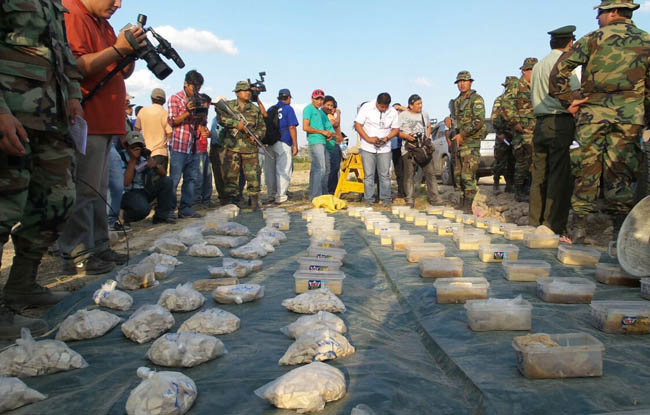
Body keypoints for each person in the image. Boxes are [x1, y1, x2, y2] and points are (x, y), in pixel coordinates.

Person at [0, 0, 84, 337]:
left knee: (57, 202)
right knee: (3, 210)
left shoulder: (53, 4)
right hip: (12, 115)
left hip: (52, 118)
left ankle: (22, 284)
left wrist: (74, 94)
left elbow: (62, 55)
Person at [58, 0, 146, 275]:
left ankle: (98, 246)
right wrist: (119, 49)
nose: (118, 4)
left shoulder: (104, 24)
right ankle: (78, 252)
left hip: (106, 122)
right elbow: (76, 65)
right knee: (84, 190)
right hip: (88, 119)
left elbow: (120, 69)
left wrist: (130, 52)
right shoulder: (72, 14)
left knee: (99, 191)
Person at [550, 0, 650, 242]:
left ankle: (579, 230)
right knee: (621, 170)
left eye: (601, 13)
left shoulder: (593, 38)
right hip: (629, 116)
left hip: (593, 114)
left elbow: (559, 71)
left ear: (613, 12)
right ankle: (620, 234)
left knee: (587, 167)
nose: (598, 18)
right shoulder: (646, 41)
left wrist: (568, 100)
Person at [529, 26, 580, 236]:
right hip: (559, 122)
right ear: (569, 43)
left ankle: (535, 223)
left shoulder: (539, 66)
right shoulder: (564, 65)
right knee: (559, 175)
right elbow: (575, 96)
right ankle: (553, 226)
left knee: (539, 175)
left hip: (540, 124)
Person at [220, 81, 267, 210]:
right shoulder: (229, 106)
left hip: (250, 148)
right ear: (237, 92)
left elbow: (262, 127)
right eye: (244, 90)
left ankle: (254, 201)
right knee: (231, 176)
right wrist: (236, 124)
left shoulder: (254, 109)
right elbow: (221, 119)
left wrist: (257, 135)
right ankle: (231, 202)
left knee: (253, 176)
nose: (248, 93)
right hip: (232, 147)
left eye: (249, 91)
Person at [445, 71, 488, 213]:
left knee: (467, 175)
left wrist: (462, 134)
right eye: (459, 82)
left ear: (470, 82)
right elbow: (455, 121)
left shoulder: (476, 99)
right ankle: (463, 202)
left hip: (470, 142)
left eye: (464, 81)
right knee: (458, 175)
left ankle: (469, 205)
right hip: (458, 142)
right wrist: (449, 122)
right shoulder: (456, 102)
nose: (462, 84)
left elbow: (479, 121)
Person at [167, 70, 205, 219]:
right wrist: (188, 111)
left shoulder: (199, 99)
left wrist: (201, 115)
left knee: (190, 179)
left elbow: (202, 120)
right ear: (186, 84)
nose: (196, 90)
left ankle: (186, 209)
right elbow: (172, 121)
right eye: (194, 87)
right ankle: (169, 210)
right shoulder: (175, 98)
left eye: (199, 87)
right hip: (179, 144)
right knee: (174, 179)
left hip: (193, 145)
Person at [502, 57, 539, 202]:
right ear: (525, 71)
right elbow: (506, 105)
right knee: (522, 161)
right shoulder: (516, 85)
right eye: (531, 70)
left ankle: (530, 189)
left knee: (534, 161)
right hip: (522, 131)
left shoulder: (538, 85)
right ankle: (519, 190)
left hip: (536, 129)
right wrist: (514, 122)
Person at [354, 93, 400, 205]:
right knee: (369, 175)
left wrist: (387, 137)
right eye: (381, 107)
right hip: (367, 147)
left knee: (384, 175)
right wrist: (368, 138)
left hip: (385, 148)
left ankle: (386, 199)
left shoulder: (392, 111)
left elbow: (396, 129)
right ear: (377, 103)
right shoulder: (367, 107)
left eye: (385, 107)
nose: (383, 109)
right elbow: (358, 125)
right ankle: (368, 199)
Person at [120, 131, 175, 224]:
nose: (137, 149)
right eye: (133, 146)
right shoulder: (121, 157)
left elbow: (163, 174)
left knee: (167, 181)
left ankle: (161, 216)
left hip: (144, 190)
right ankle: (123, 217)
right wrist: (133, 160)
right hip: (128, 193)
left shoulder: (144, 155)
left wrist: (155, 166)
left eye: (140, 146)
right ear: (127, 146)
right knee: (144, 209)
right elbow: (125, 183)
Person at [399, 94, 440, 207]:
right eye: (417, 104)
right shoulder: (403, 116)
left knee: (430, 174)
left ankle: (435, 198)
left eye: (421, 103)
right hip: (409, 150)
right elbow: (396, 131)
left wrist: (427, 138)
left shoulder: (424, 114)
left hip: (423, 149)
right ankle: (410, 199)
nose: (420, 106)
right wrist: (407, 137)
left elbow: (428, 126)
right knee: (409, 175)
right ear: (410, 105)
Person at [263, 88, 299, 204]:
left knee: (270, 171)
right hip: (283, 142)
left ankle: (271, 195)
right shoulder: (288, 109)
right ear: (288, 98)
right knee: (283, 170)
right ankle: (281, 196)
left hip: (269, 143)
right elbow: (292, 127)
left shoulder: (271, 109)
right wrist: (295, 145)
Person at [304, 89, 336, 199]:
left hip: (323, 142)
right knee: (319, 168)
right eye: (317, 98)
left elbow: (328, 127)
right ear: (312, 98)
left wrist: (329, 134)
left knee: (326, 169)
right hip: (315, 141)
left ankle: (323, 193)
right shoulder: (308, 109)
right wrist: (322, 132)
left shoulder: (321, 112)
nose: (319, 101)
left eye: (321, 99)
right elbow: (305, 127)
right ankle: (315, 196)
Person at [490, 76, 518, 193]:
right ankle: (496, 181)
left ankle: (510, 184)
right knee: (500, 161)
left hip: (514, 135)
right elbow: (494, 118)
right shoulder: (500, 100)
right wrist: (500, 133)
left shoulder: (518, 99)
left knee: (513, 160)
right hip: (503, 136)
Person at [135, 88, 172, 175]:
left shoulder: (142, 111)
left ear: (151, 98)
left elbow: (136, 130)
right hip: (160, 153)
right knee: (159, 182)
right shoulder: (165, 113)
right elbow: (169, 133)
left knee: (145, 182)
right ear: (164, 101)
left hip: (144, 153)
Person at [325, 98, 344, 194]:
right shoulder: (329, 116)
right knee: (333, 168)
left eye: (333, 106)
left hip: (336, 143)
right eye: (329, 106)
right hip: (332, 145)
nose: (332, 108)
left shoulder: (332, 116)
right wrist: (338, 114)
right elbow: (335, 124)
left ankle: (334, 189)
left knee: (336, 168)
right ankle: (330, 189)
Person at [391, 103, 406, 199]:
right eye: (395, 110)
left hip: (404, 148)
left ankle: (405, 192)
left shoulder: (405, 119)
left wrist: (400, 108)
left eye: (399, 111)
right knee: (398, 172)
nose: (397, 112)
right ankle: (401, 192)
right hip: (394, 148)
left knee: (406, 172)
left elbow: (410, 111)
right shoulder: (390, 120)